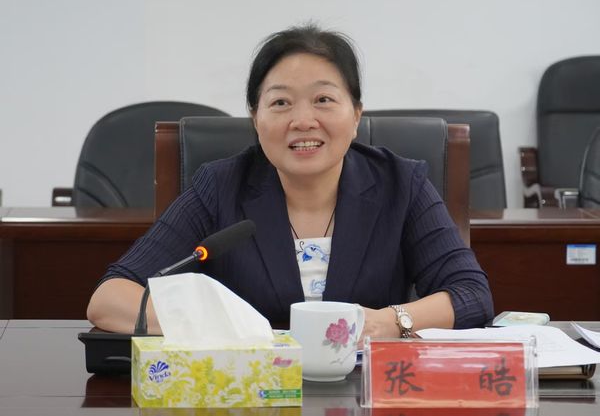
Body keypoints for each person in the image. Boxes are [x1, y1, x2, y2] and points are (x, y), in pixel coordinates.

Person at [87, 24, 494, 338]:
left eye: (323, 100)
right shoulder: (220, 187)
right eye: (280, 102)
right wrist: (225, 327)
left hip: (364, 394)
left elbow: (472, 295)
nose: (303, 120)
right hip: (249, 393)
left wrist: (388, 322)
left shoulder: (401, 184)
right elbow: (109, 299)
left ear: (356, 115)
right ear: (256, 118)